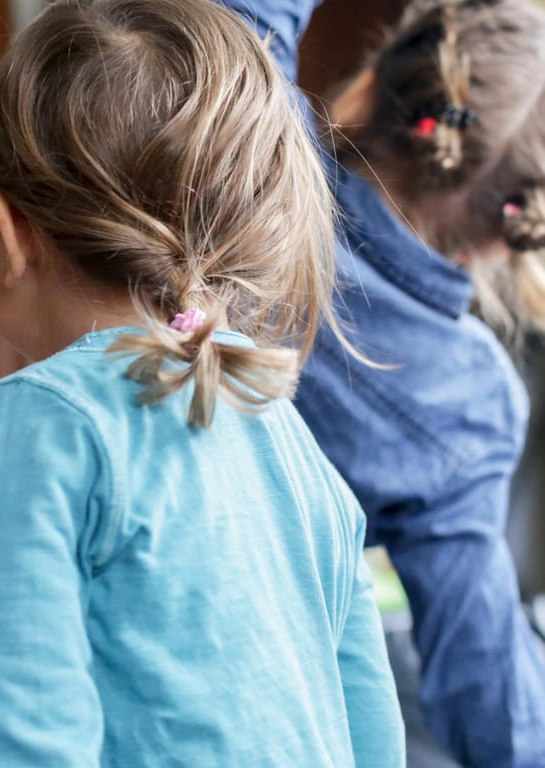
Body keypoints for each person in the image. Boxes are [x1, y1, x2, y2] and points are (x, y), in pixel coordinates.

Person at [0, 0, 403, 764]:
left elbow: (0, 738)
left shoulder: (37, 423)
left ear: (6, 234)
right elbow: (370, 727)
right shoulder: (283, 432)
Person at [220, 0, 545, 764]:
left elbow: (241, 16)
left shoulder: (253, 161)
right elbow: (493, 702)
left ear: (384, 87)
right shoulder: (471, 397)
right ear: (516, 227)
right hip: (263, 716)